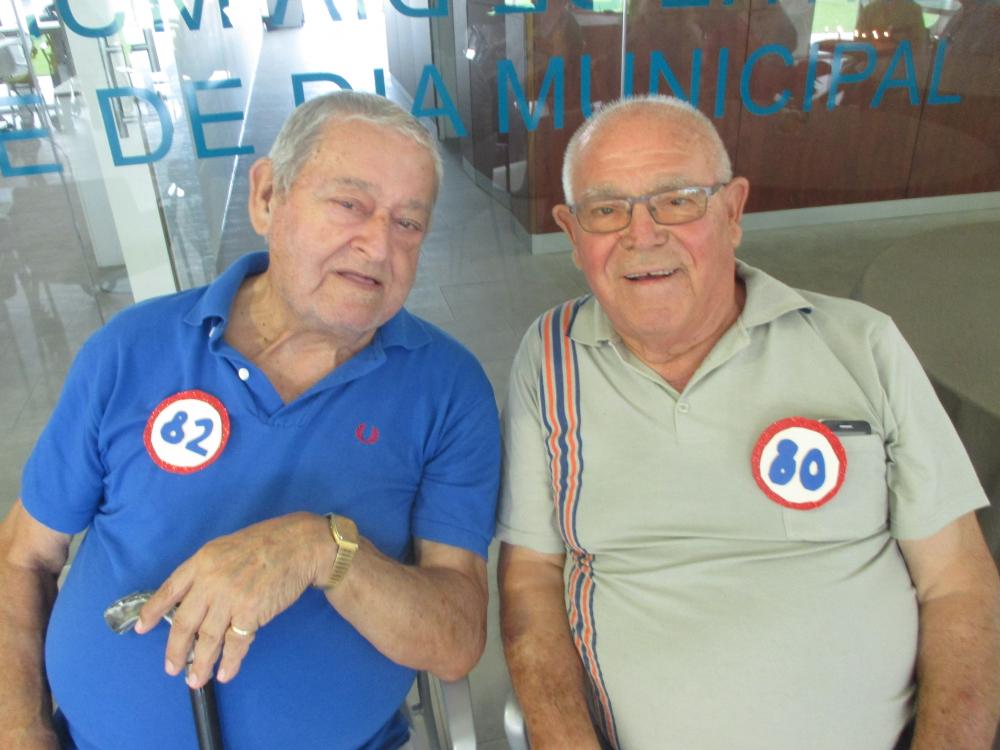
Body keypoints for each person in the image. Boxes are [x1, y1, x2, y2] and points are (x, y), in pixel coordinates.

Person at [0, 91, 500, 750]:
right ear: (266, 197)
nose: (379, 245)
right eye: (349, 205)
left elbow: (457, 642)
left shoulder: (447, 388)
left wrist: (326, 551)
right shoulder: (130, 351)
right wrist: (19, 726)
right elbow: (23, 559)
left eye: (409, 223)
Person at [497, 94, 1000, 750]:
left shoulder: (861, 343)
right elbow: (529, 578)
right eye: (606, 209)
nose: (641, 234)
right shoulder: (551, 356)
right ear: (572, 233)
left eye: (677, 200)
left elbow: (958, 584)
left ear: (733, 212)